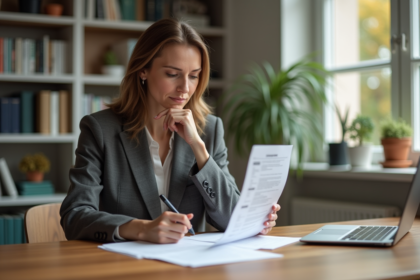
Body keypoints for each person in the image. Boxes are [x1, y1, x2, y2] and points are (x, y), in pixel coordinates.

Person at [60, 18, 281, 244]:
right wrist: (140, 229)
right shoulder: (100, 130)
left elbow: (233, 220)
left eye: (194, 76)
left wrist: (199, 148)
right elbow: (75, 216)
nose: (185, 88)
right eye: (172, 74)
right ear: (143, 70)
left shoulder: (209, 130)